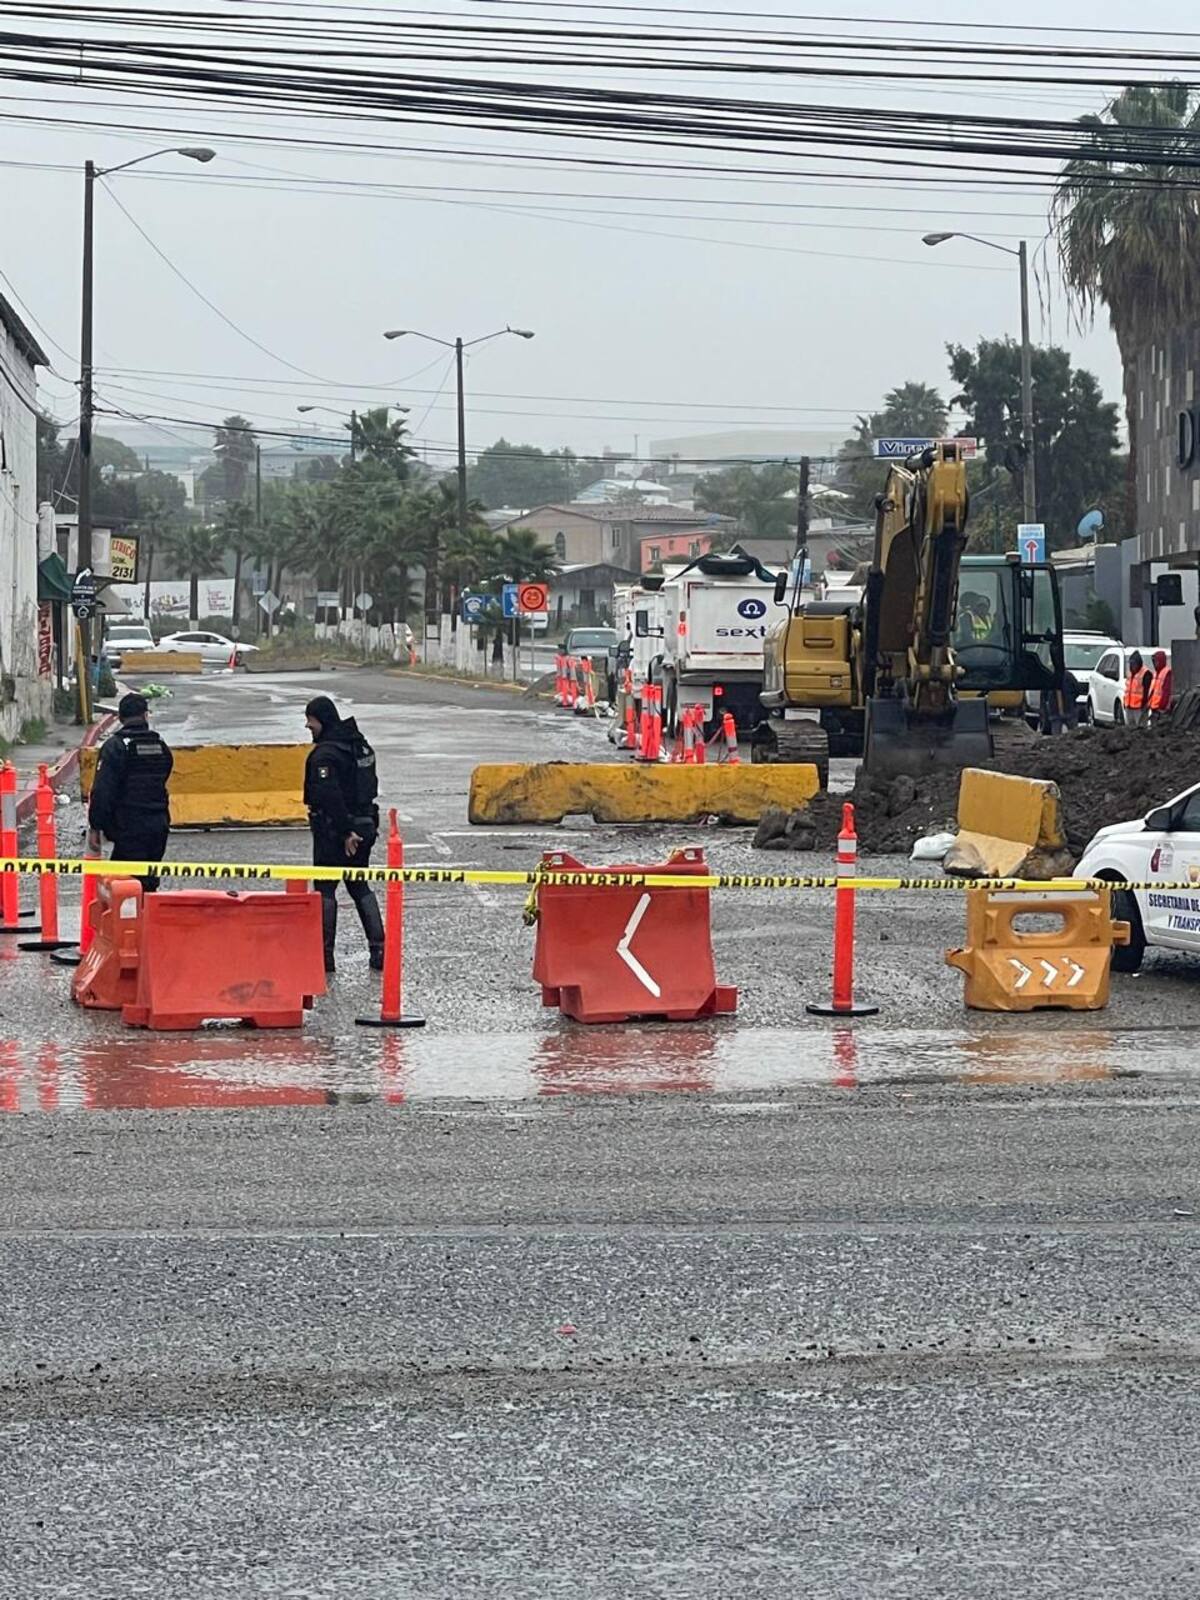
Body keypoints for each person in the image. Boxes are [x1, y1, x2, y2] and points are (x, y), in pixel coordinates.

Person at [303, 694, 384, 973]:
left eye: (311, 720)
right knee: (359, 885)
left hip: (336, 831)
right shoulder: (359, 745)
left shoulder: (326, 754)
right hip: (365, 824)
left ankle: (324, 957)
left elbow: (330, 796)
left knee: (325, 888)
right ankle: (379, 950)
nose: (308, 726)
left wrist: (345, 831)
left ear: (322, 720)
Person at [87, 691, 173, 891]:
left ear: (120, 717)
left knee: (123, 886)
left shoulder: (115, 747)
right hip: (158, 825)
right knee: (148, 883)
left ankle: (134, 912)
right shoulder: (160, 746)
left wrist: (96, 826)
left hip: (129, 827)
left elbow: (102, 791)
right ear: (145, 715)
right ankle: (146, 910)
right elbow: (163, 776)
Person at [1124, 650, 1153, 729]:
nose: (1132, 666)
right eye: (1131, 663)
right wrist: (1125, 703)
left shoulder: (1146, 674)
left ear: (1138, 663)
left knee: (1141, 729)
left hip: (1140, 708)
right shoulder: (1130, 673)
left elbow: (1147, 691)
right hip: (1129, 707)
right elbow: (1127, 690)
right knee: (1130, 729)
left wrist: (1145, 705)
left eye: (1134, 664)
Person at [1149, 649, 1174, 725]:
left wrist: (1162, 707)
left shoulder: (1167, 673)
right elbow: (1153, 690)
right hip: (1154, 708)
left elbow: (1166, 692)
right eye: (1154, 661)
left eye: (1156, 661)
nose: (1155, 664)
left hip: (1160, 709)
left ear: (1161, 661)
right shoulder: (1156, 673)